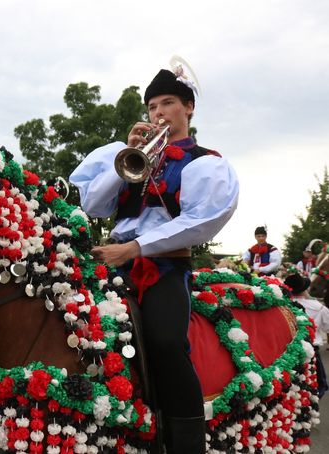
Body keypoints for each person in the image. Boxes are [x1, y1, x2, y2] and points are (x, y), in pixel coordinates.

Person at [70, 66, 239, 453]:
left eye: (167, 103)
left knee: (165, 342)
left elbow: (199, 222)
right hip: (115, 260)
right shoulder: (131, 154)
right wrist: (123, 162)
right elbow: (92, 203)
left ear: (188, 108)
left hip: (163, 265)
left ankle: (186, 445)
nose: (158, 113)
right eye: (152, 106)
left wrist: (135, 248)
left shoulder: (204, 162)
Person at [284, 273, 328, 397]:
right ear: (304, 289)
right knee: (316, 388)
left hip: (287, 354)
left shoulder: (282, 306)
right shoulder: (318, 307)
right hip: (312, 352)